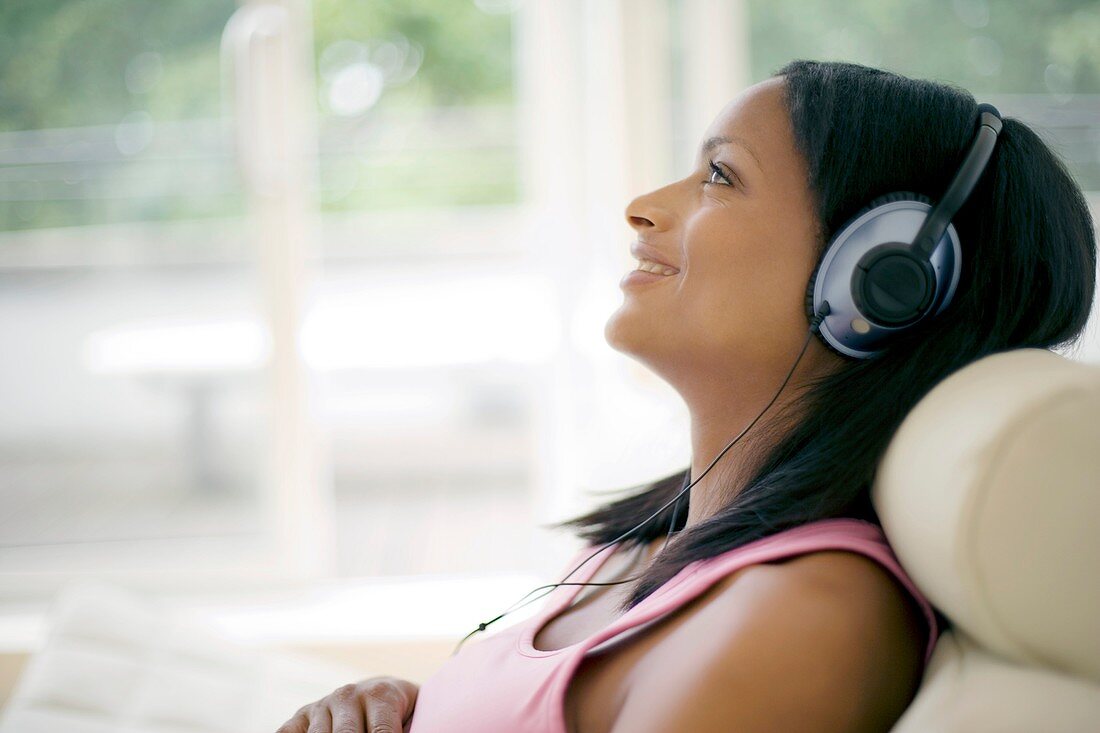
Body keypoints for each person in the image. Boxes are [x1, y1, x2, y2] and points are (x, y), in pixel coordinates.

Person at [275, 59, 1097, 733]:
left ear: (882, 280)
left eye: (719, 174)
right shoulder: (652, 544)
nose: (643, 208)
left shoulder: (802, 615)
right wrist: (393, 705)